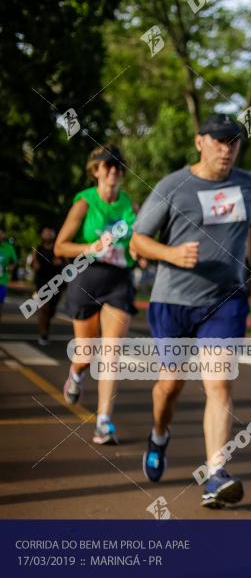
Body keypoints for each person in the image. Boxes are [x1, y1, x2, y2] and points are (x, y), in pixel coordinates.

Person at [131, 113, 251, 509]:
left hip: (225, 299)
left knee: (219, 383)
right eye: (218, 141)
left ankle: (215, 474)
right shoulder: (174, 186)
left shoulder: (249, 184)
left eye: (233, 142)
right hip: (173, 301)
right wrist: (170, 253)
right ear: (199, 142)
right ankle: (158, 434)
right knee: (171, 385)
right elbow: (138, 241)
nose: (226, 149)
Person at [55, 145, 139, 445]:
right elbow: (60, 247)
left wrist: (140, 252)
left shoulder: (129, 204)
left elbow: (137, 240)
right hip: (86, 277)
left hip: (119, 280)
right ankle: (76, 375)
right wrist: (90, 248)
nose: (114, 170)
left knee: (112, 352)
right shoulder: (84, 203)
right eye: (108, 165)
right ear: (96, 171)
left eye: (119, 166)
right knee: (86, 352)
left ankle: (104, 421)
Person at [31, 227, 64, 345]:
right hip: (42, 281)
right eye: (46, 233)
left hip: (57, 281)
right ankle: (42, 334)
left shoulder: (58, 248)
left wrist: (61, 263)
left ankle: (46, 328)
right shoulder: (37, 249)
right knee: (44, 307)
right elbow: (33, 264)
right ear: (42, 235)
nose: (48, 235)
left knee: (51, 310)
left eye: (50, 233)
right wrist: (35, 265)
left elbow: (67, 264)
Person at [0, 225, 17, 324]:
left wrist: (11, 267)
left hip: (2, 281)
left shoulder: (8, 247)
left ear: (3, 235)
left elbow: (14, 262)